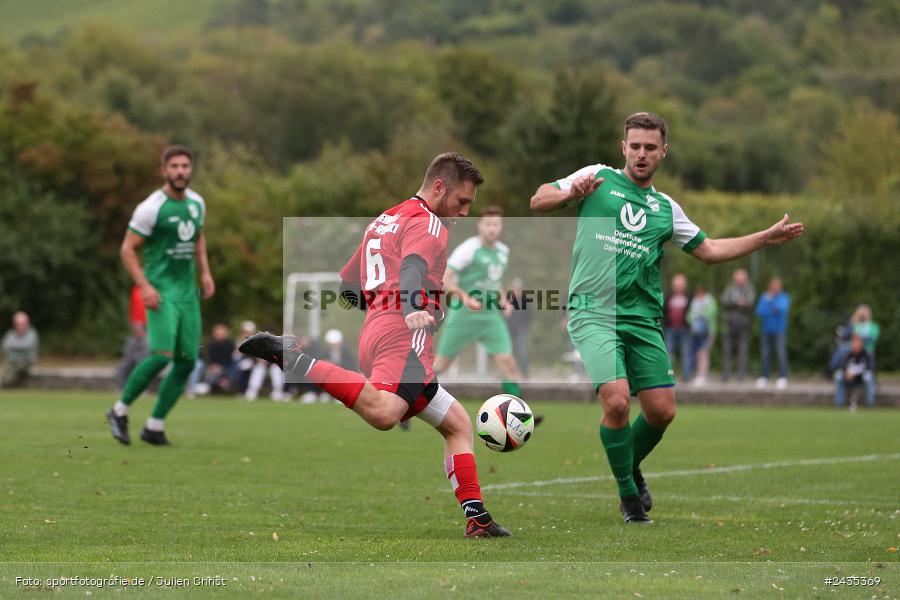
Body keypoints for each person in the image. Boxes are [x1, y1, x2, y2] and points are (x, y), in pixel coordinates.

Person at [530, 112, 803, 524]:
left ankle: (628, 464)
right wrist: (570, 192)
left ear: (663, 152)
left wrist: (763, 238)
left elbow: (709, 251)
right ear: (623, 147)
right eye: (635, 146)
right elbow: (538, 200)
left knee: (661, 411)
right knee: (617, 401)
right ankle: (629, 498)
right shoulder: (597, 177)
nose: (641, 154)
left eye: (650, 147)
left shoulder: (665, 209)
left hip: (642, 319)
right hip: (593, 312)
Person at [240, 153, 511, 538]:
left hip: (378, 329)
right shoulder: (428, 222)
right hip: (404, 332)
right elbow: (413, 267)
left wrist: (385, 310)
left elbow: (348, 288)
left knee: (457, 424)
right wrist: (412, 308)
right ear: (438, 187)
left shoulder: (385, 219)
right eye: (462, 201)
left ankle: (477, 519)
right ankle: (292, 360)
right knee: (384, 414)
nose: (465, 212)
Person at [106, 145, 215, 446]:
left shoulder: (197, 203)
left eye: (185, 166)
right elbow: (127, 249)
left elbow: (198, 238)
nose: (180, 171)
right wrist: (145, 286)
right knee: (161, 355)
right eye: (175, 166)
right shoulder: (150, 208)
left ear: (191, 169)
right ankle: (119, 410)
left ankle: (154, 426)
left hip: (187, 293)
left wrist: (205, 273)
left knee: (187, 362)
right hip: (161, 291)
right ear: (164, 170)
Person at [434, 206, 524, 400]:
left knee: (508, 362)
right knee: (440, 365)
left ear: (501, 226)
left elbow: (494, 282)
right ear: (479, 225)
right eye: (488, 224)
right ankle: (407, 399)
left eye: (496, 224)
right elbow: (445, 279)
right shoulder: (469, 248)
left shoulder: (503, 251)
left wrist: (503, 301)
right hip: (464, 315)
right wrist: (466, 299)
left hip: (491, 317)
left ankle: (519, 412)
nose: (492, 229)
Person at [719, 268, 755, 382]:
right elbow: (724, 300)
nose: (738, 281)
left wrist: (737, 303)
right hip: (729, 323)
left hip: (743, 324)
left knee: (743, 350)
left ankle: (741, 376)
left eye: (741, 279)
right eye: (736, 279)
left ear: (745, 279)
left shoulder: (749, 289)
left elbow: (749, 303)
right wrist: (738, 302)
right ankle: (725, 375)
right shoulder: (730, 288)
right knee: (727, 351)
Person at [755, 276, 790, 390]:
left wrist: (770, 304)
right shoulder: (764, 296)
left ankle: (782, 377)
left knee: (780, 353)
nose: (774, 288)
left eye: (776, 286)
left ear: (780, 287)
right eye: (773, 286)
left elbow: (781, 310)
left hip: (779, 330)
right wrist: (770, 306)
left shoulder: (784, 297)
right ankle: (765, 377)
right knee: (765, 354)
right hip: (766, 329)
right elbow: (760, 311)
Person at [833, 334, 875, 409]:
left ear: (861, 344)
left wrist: (855, 374)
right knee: (838, 375)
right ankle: (839, 404)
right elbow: (842, 366)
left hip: (861, 379)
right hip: (849, 379)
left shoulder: (866, 355)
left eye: (857, 343)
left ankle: (870, 404)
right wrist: (846, 373)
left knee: (869, 376)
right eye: (854, 343)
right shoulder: (848, 355)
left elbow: (871, 368)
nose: (855, 345)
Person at [662, 274, 691, 380]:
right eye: (676, 285)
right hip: (670, 329)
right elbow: (664, 312)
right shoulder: (668, 297)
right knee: (669, 353)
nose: (678, 287)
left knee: (686, 352)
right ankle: (670, 374)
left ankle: (686, 375)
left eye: (680, 285)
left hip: (685, 329)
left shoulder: (689, 297)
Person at [687, 285, 717, 386]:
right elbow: (689, 315)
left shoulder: (710, 301)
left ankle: (703, 375)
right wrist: (693, 320)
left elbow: (710, 314)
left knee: (703, 353)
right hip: (696, 332)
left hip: (708, 332)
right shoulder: (694, 301)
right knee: (696, 353)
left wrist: (698, 315)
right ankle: (698, 375)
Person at [1, 311, 39, 388]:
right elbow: (5, 346)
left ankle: (10, 384)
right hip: (11, 363)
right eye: (18, 324)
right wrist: (19, 347)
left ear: (27, 323)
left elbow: (27, 346)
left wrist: (13, 347)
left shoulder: (32, 334)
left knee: (10, 375)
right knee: (6, 371)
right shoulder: (10, 334)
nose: (20, 326)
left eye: (22, 324)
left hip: (27, 363)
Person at [505, 277, 533, 378]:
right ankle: (509, 372)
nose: (516, 290)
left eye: (518, 288)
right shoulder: (508, 299)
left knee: (522, 351)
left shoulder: (525, 300)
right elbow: (503, 312)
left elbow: (530, 314)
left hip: (521, 329)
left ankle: (524, 372)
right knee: (508, 351)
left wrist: (525, 325)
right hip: (509, 329)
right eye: (515, 288)